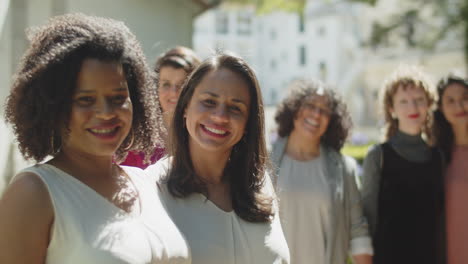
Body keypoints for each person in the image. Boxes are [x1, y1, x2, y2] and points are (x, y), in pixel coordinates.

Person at [0, 14, 189, 263]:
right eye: (85, 100)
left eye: (118, 97)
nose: (106, 113)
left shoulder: (147, 184)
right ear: (53, 107)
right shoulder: (33, 193)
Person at [146, 53, 290, 264]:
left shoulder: (260, 184)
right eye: (209, 102)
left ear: (248, 121)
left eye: (235, 107)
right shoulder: (151, 189)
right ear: (185, 106)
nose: (220, 116)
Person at [270, 79, 373, 264]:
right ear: (293, 109)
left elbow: (358, 230)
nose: (316, 114)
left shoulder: (344, 169)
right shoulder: (264, 160)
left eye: (325, 111)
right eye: (310, 105)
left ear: (332, 121)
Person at [361, 65, 445, 264]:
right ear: (392, 109)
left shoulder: (438, 157)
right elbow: (368, 218)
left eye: (419, 100)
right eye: (404, 102)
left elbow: (440, 220)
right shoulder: (377, 156)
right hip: (388, 257)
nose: (413, 108)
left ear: (428, 104)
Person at [121, 46, 200, 169]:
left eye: (181, 85)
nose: (173, 93)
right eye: (166, 84)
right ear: (156, 87)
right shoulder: (137, 138)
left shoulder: (203, 135)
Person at [434, 74, 468, 264]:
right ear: (440, 108)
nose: (459, 106)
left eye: (465, 98)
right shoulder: (435, 156)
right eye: (451, 101)